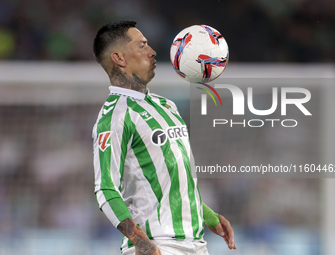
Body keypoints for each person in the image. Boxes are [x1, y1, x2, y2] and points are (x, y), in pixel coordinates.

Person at [92, 20, 237, 255]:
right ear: (119, 58)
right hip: (158, 244)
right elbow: (105, 189)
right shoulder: (115, 117)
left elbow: (172, 180)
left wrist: (209, 216)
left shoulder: (165, 105)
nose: (152, 52)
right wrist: (141, 242)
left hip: (196, 245)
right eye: (142, 46)